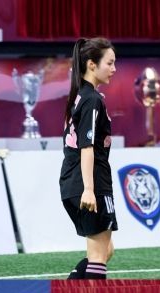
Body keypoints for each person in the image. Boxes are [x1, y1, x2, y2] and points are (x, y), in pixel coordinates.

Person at [60, 37, 117, 280]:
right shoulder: (92, 99)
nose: (114, 69)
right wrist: (89, 190)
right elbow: (87, 147)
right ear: (92, 65)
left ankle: (70, 289)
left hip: (71, 183)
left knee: (106, 250)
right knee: (98, 256)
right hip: (89, 184)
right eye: (109, 63)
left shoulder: (79, 96)